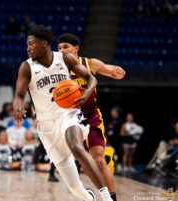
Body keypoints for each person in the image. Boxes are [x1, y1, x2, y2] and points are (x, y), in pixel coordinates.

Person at [13, 25, 113, 201]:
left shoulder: (64, 58)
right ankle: (89, 197)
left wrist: (88, 91)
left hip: (68, 113)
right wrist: (18, 107)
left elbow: (91, 78)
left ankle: (106, 198)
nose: (27, 48)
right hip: (46, 125)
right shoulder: (26, 67)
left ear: (44, 43)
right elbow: (19, 96)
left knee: (76, 147)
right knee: (74, 187)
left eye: (31, 44)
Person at [57, 33, 126, 201]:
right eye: (59, 48)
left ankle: (112, 198)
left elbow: (111, 71)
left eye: (65, 47)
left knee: (98, 159)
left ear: (76, 48)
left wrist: (116, 71)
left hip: (91, 115)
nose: (61, 51)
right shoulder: (56, 67)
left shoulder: (89, 63)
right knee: (82, 160)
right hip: (69, 118)